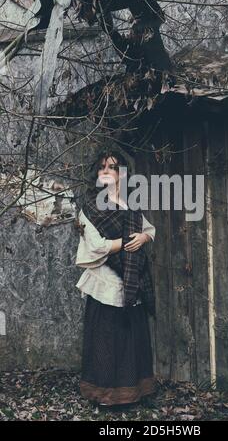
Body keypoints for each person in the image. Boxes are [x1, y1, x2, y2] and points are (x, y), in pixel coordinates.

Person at [75, 151, 157, 406]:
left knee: (132, 340)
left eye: (113, 166)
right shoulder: (91, 206)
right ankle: (104, 395)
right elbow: (96, 245)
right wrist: (125, 242)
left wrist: (144, 237)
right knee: (106, 341)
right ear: (97, 175)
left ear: (123, 173)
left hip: (132, 282)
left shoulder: (130, 204)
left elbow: (149, 229)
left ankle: (135, 392)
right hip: (106, 283)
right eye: (102, 168)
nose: (107, 171)